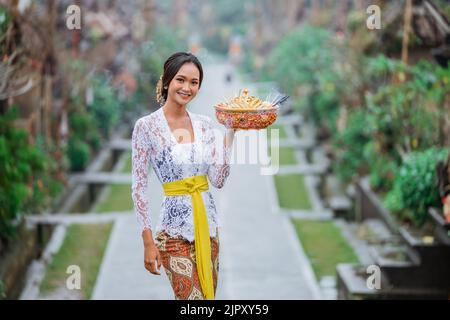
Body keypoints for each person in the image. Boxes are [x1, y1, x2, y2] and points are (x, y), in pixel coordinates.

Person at [131, 52, 237, 300]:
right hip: (172, 234)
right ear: (167, 81)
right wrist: (148, 242)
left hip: (209, 230)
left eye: (194, 82)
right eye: (181, 79)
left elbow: (218, 179)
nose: (187, 87)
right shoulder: (146, 127)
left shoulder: (204, 124)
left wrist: (231, 132)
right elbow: (138, 188)